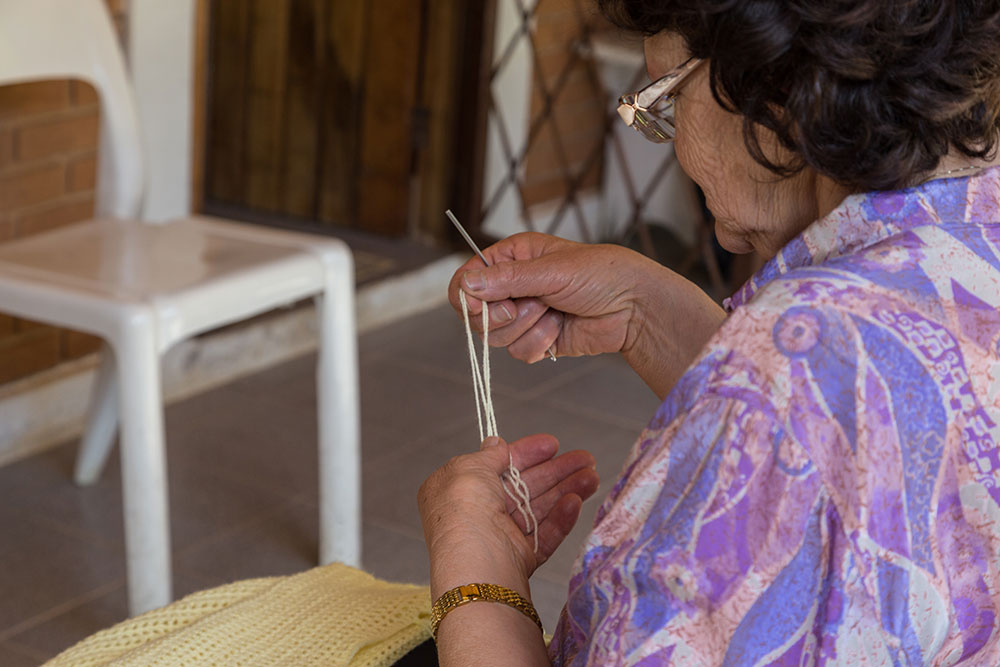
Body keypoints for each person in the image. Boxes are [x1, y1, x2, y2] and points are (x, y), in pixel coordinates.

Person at [418, 1, 1000, 664]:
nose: (717, 225)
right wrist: (648, 310)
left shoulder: (782, 383)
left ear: (777, 80)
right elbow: (869, 447)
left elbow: (799, 413)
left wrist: (475, 571)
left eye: (663, 101)